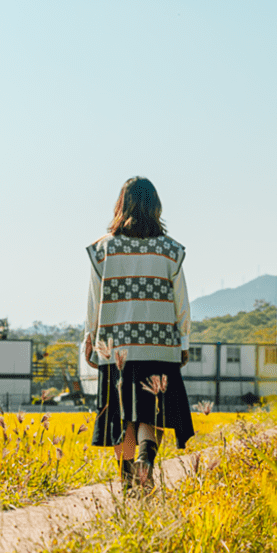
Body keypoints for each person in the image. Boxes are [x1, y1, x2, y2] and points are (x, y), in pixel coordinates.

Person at [83, 177, 195, 492]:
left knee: (122, 416)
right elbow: (181, 302)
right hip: (159, 346)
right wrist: (183, 340)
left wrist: (91, 341)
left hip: (114, 347)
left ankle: (130, 482)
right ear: (156, 208)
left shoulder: (102, 250)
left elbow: (94, 301)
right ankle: (147, 458)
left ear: (121, 206)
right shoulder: (171, 251)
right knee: (152, 409)